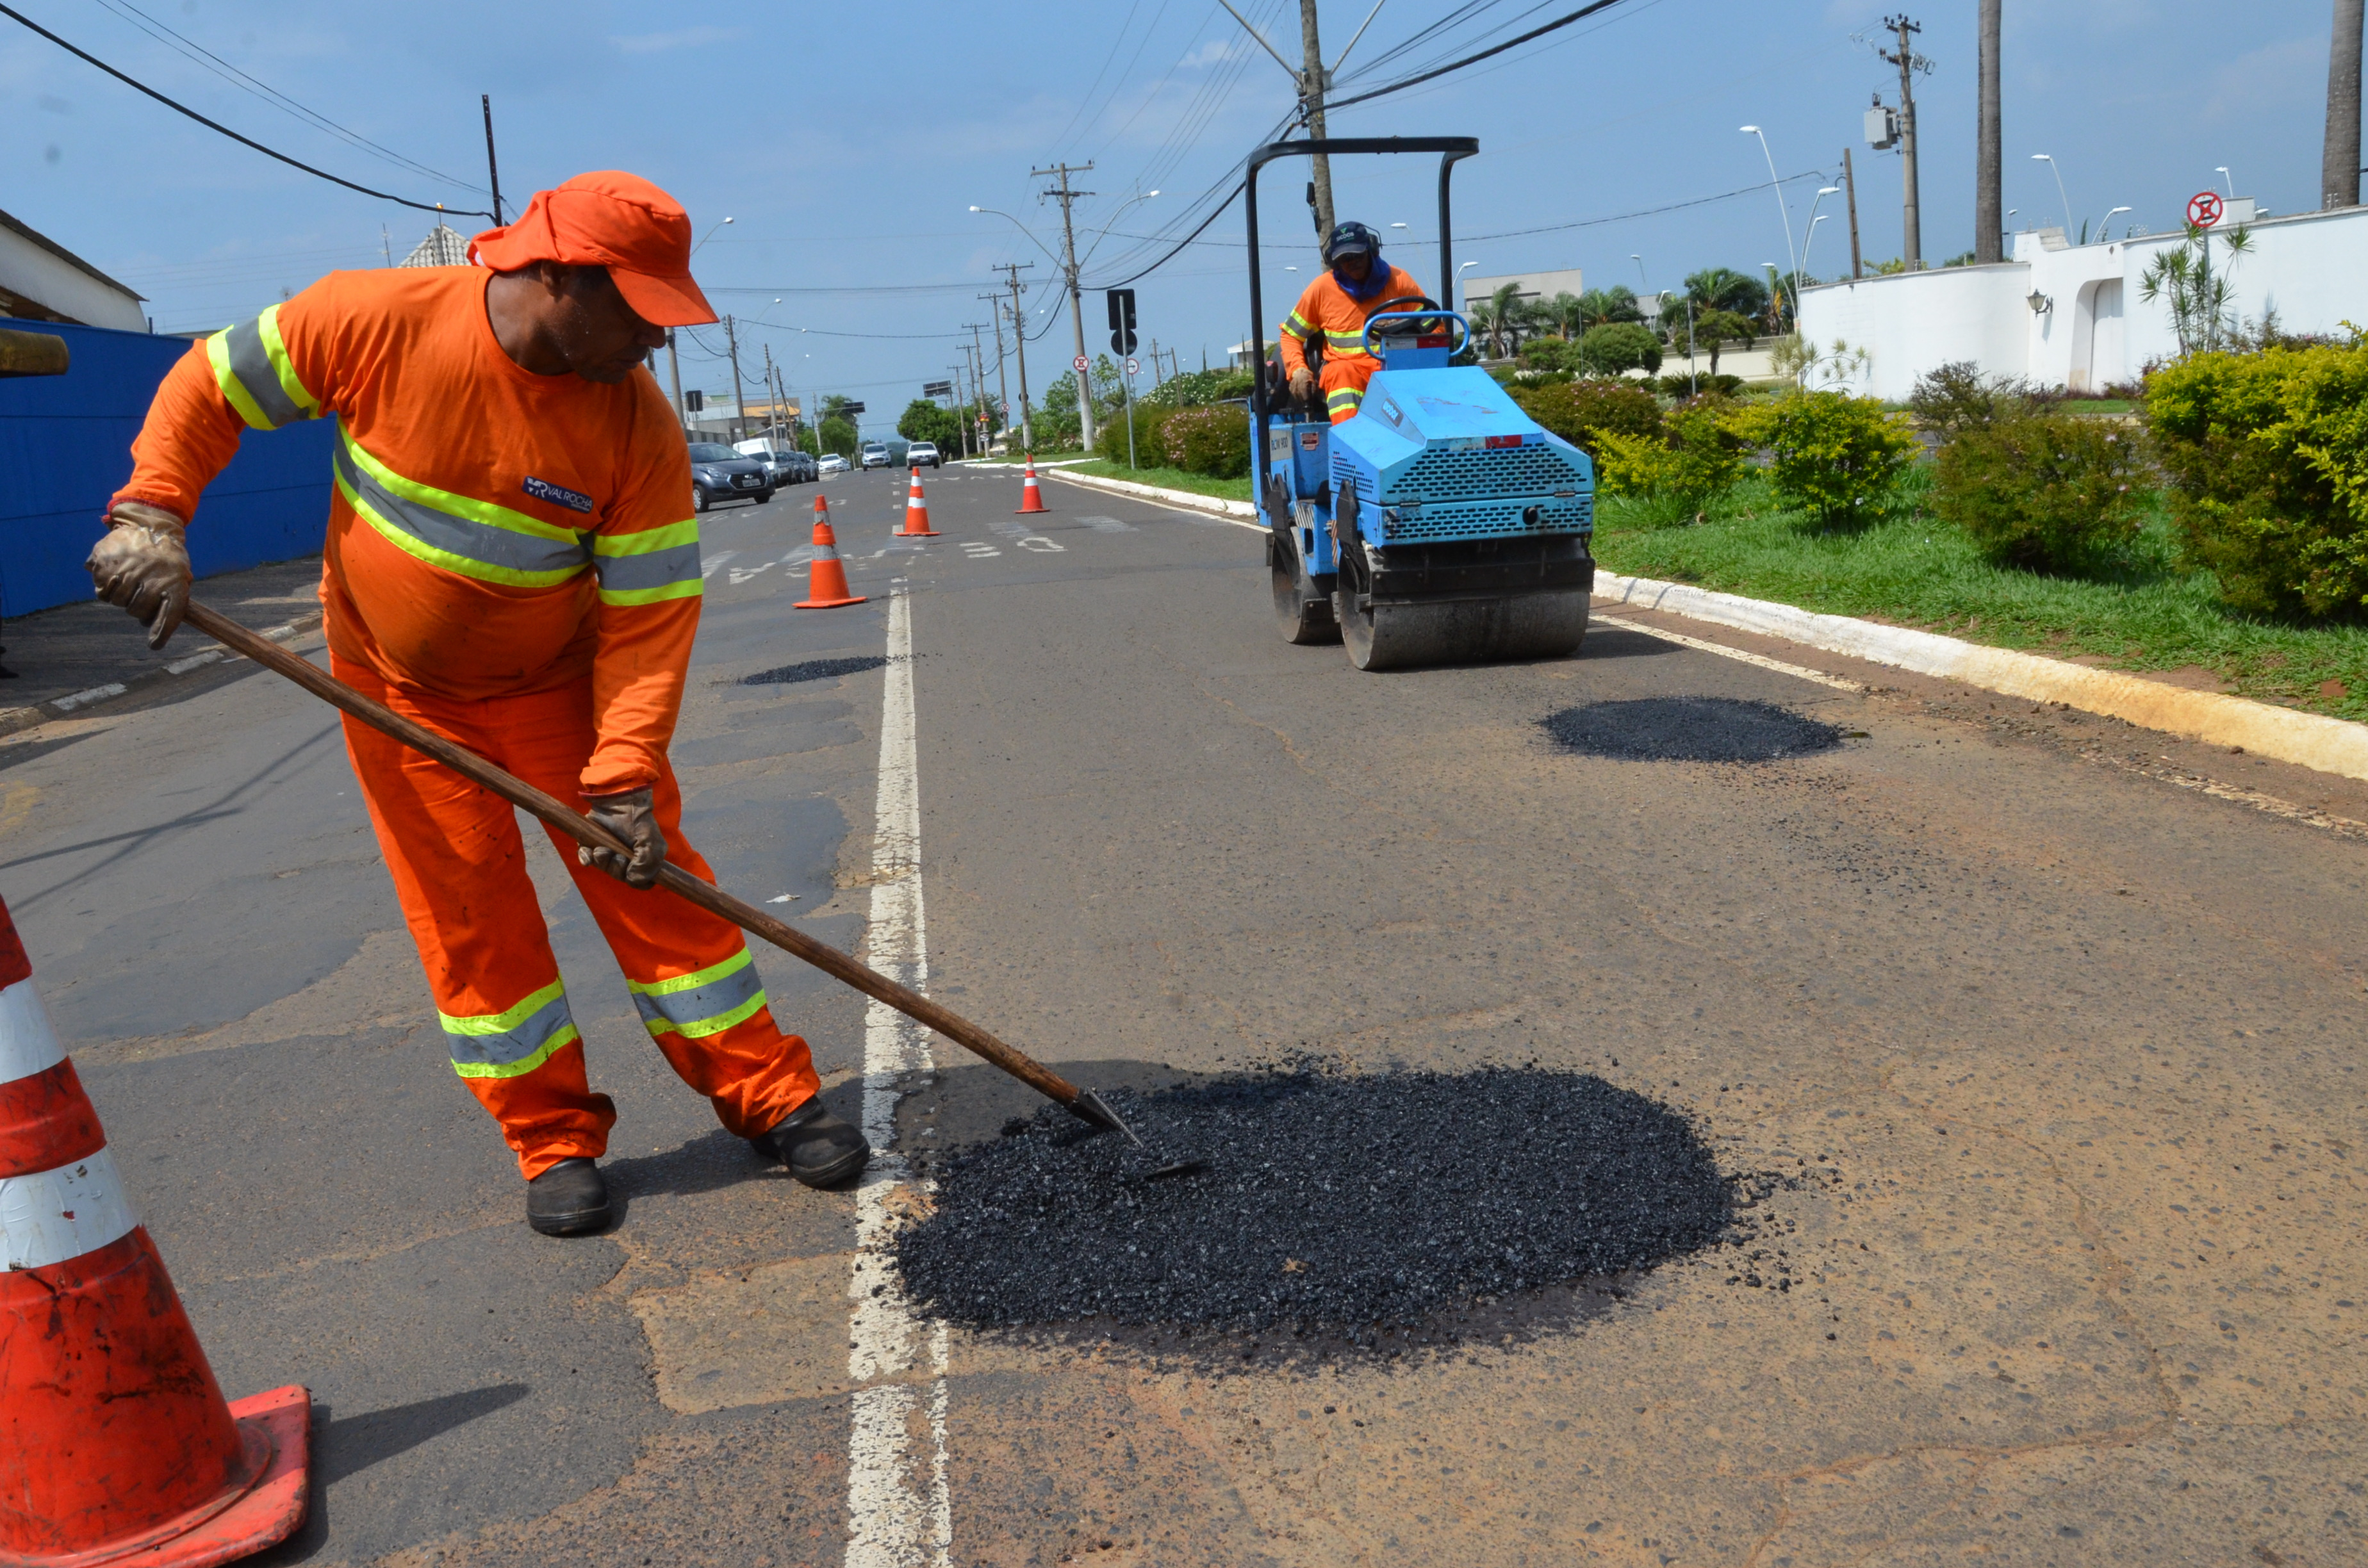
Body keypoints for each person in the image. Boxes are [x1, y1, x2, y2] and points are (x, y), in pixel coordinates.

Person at [86, 172, 867, 1239]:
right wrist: (151, 512)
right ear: (557, 280)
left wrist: (625, 769)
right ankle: (553, 1140)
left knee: (657, 888)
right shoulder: (373, 319)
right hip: (398, 694)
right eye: (640, 312)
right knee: (471, 922)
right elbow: (210, 383)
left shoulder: (635, 426)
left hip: (560, 688)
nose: (657, 343)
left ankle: (771, 1097)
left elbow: (648, 617)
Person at [1279, 221, 1429, 425]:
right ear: (1334, 262)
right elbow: (1291, 335)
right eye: (1345, 259)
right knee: (1340, 372)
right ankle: (1350, 441)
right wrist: (1298, 369)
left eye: (1357, 255)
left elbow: (1433, 327)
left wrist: (1405, 329)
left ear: (1371, 249)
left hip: (1395, 369)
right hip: (1349, 372)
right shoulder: (1321, 289)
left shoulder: (1400, 281)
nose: (1352, 262)